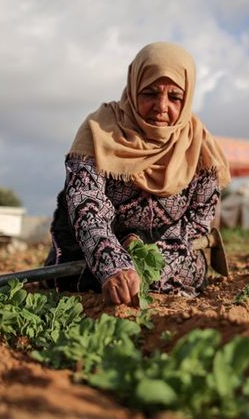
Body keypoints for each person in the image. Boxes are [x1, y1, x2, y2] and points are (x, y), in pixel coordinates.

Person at [45, 42, 230, 307]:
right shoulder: (99, 131)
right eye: (149, 93)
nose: (161, 106)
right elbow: (87, 206)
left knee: (182, 270)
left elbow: (197, 224)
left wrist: (144, 255)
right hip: (94, 252)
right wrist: (113, 263)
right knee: (75, 274)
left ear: (187, 97)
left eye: (174, 97)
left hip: (169, 255)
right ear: (133, 88)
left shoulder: (199, 146)